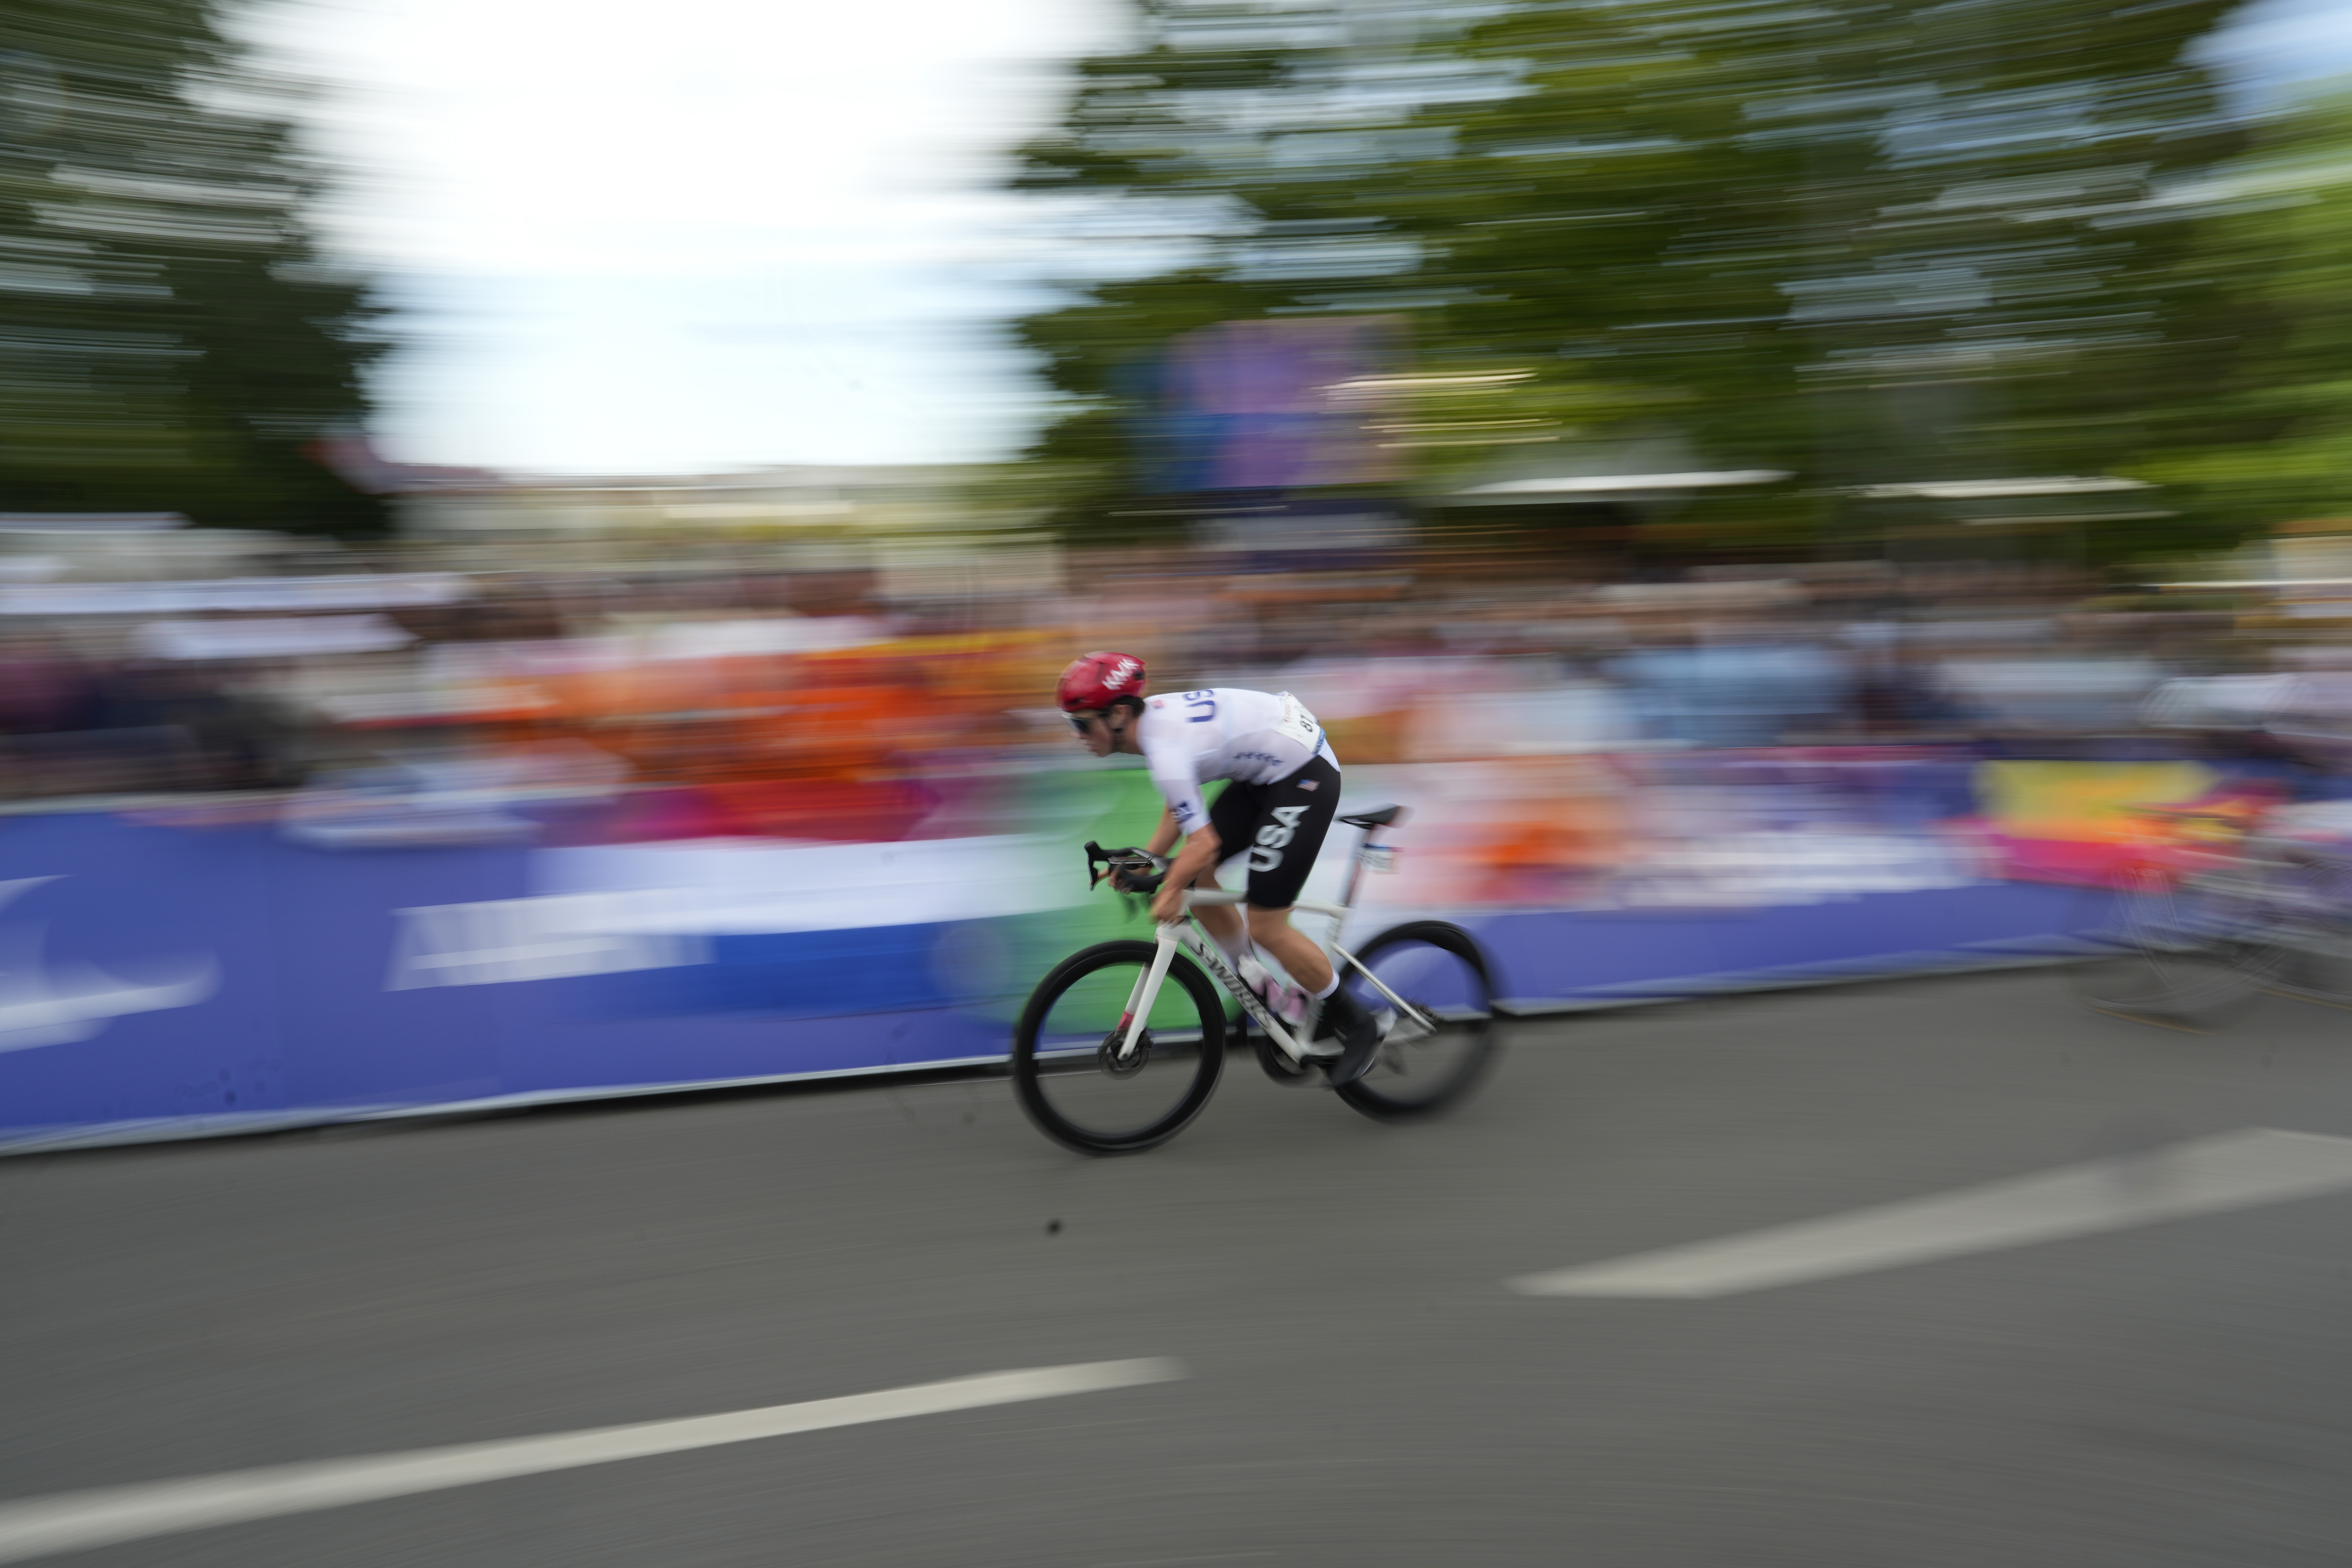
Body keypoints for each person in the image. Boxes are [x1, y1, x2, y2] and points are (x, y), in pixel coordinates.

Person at [1056, 650, 1379, 1083]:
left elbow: (1202, 841)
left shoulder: (1162, 746)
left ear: (1117, 714)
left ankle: (1359, 1021)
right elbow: (1181, 801)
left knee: (1266, 924)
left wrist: (1167, 890)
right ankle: (1259, 983)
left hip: (1304, 775)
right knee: (1187, 872)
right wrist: (1148, 860)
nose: (1078, 734)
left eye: (1081, 723)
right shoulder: (1154, 731)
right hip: (1265, 768)